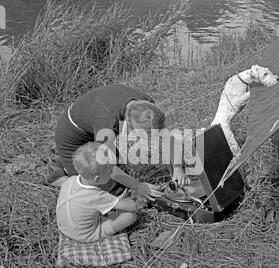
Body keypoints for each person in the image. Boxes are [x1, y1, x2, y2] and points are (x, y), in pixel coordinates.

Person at [50, 84, 190, 199]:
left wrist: (178, 168)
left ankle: (67, 163)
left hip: (94, 129)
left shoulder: (147, 108)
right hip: (72, 137)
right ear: (128, 126)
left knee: (122, 177)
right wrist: (139, 186)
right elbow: (107, 166)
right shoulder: (107, 123)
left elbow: (171, 136)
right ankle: (61, 177)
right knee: (108, 190)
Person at [56, 142, 138, 242]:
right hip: (86, 235)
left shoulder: (70, 181)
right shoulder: (96, 196)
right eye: (110, 172)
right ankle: (102, 233)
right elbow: (132, 207)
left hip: (65, 228)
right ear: (97, 178)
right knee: (130, 216)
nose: (112, 173)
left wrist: (117, 201)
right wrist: (132, 200)